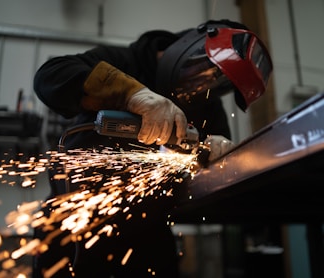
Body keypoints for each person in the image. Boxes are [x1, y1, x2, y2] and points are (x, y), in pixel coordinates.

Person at [32, 19, 272, 277]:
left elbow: (213, 170)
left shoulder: (206, 104)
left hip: (146, 233)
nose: (205, 85)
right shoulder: (124, 61)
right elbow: (50, 76)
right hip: (72, 221)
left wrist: (217, 159)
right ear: (190, 45)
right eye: (206, 70)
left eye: (220, 84)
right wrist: (132, 94)